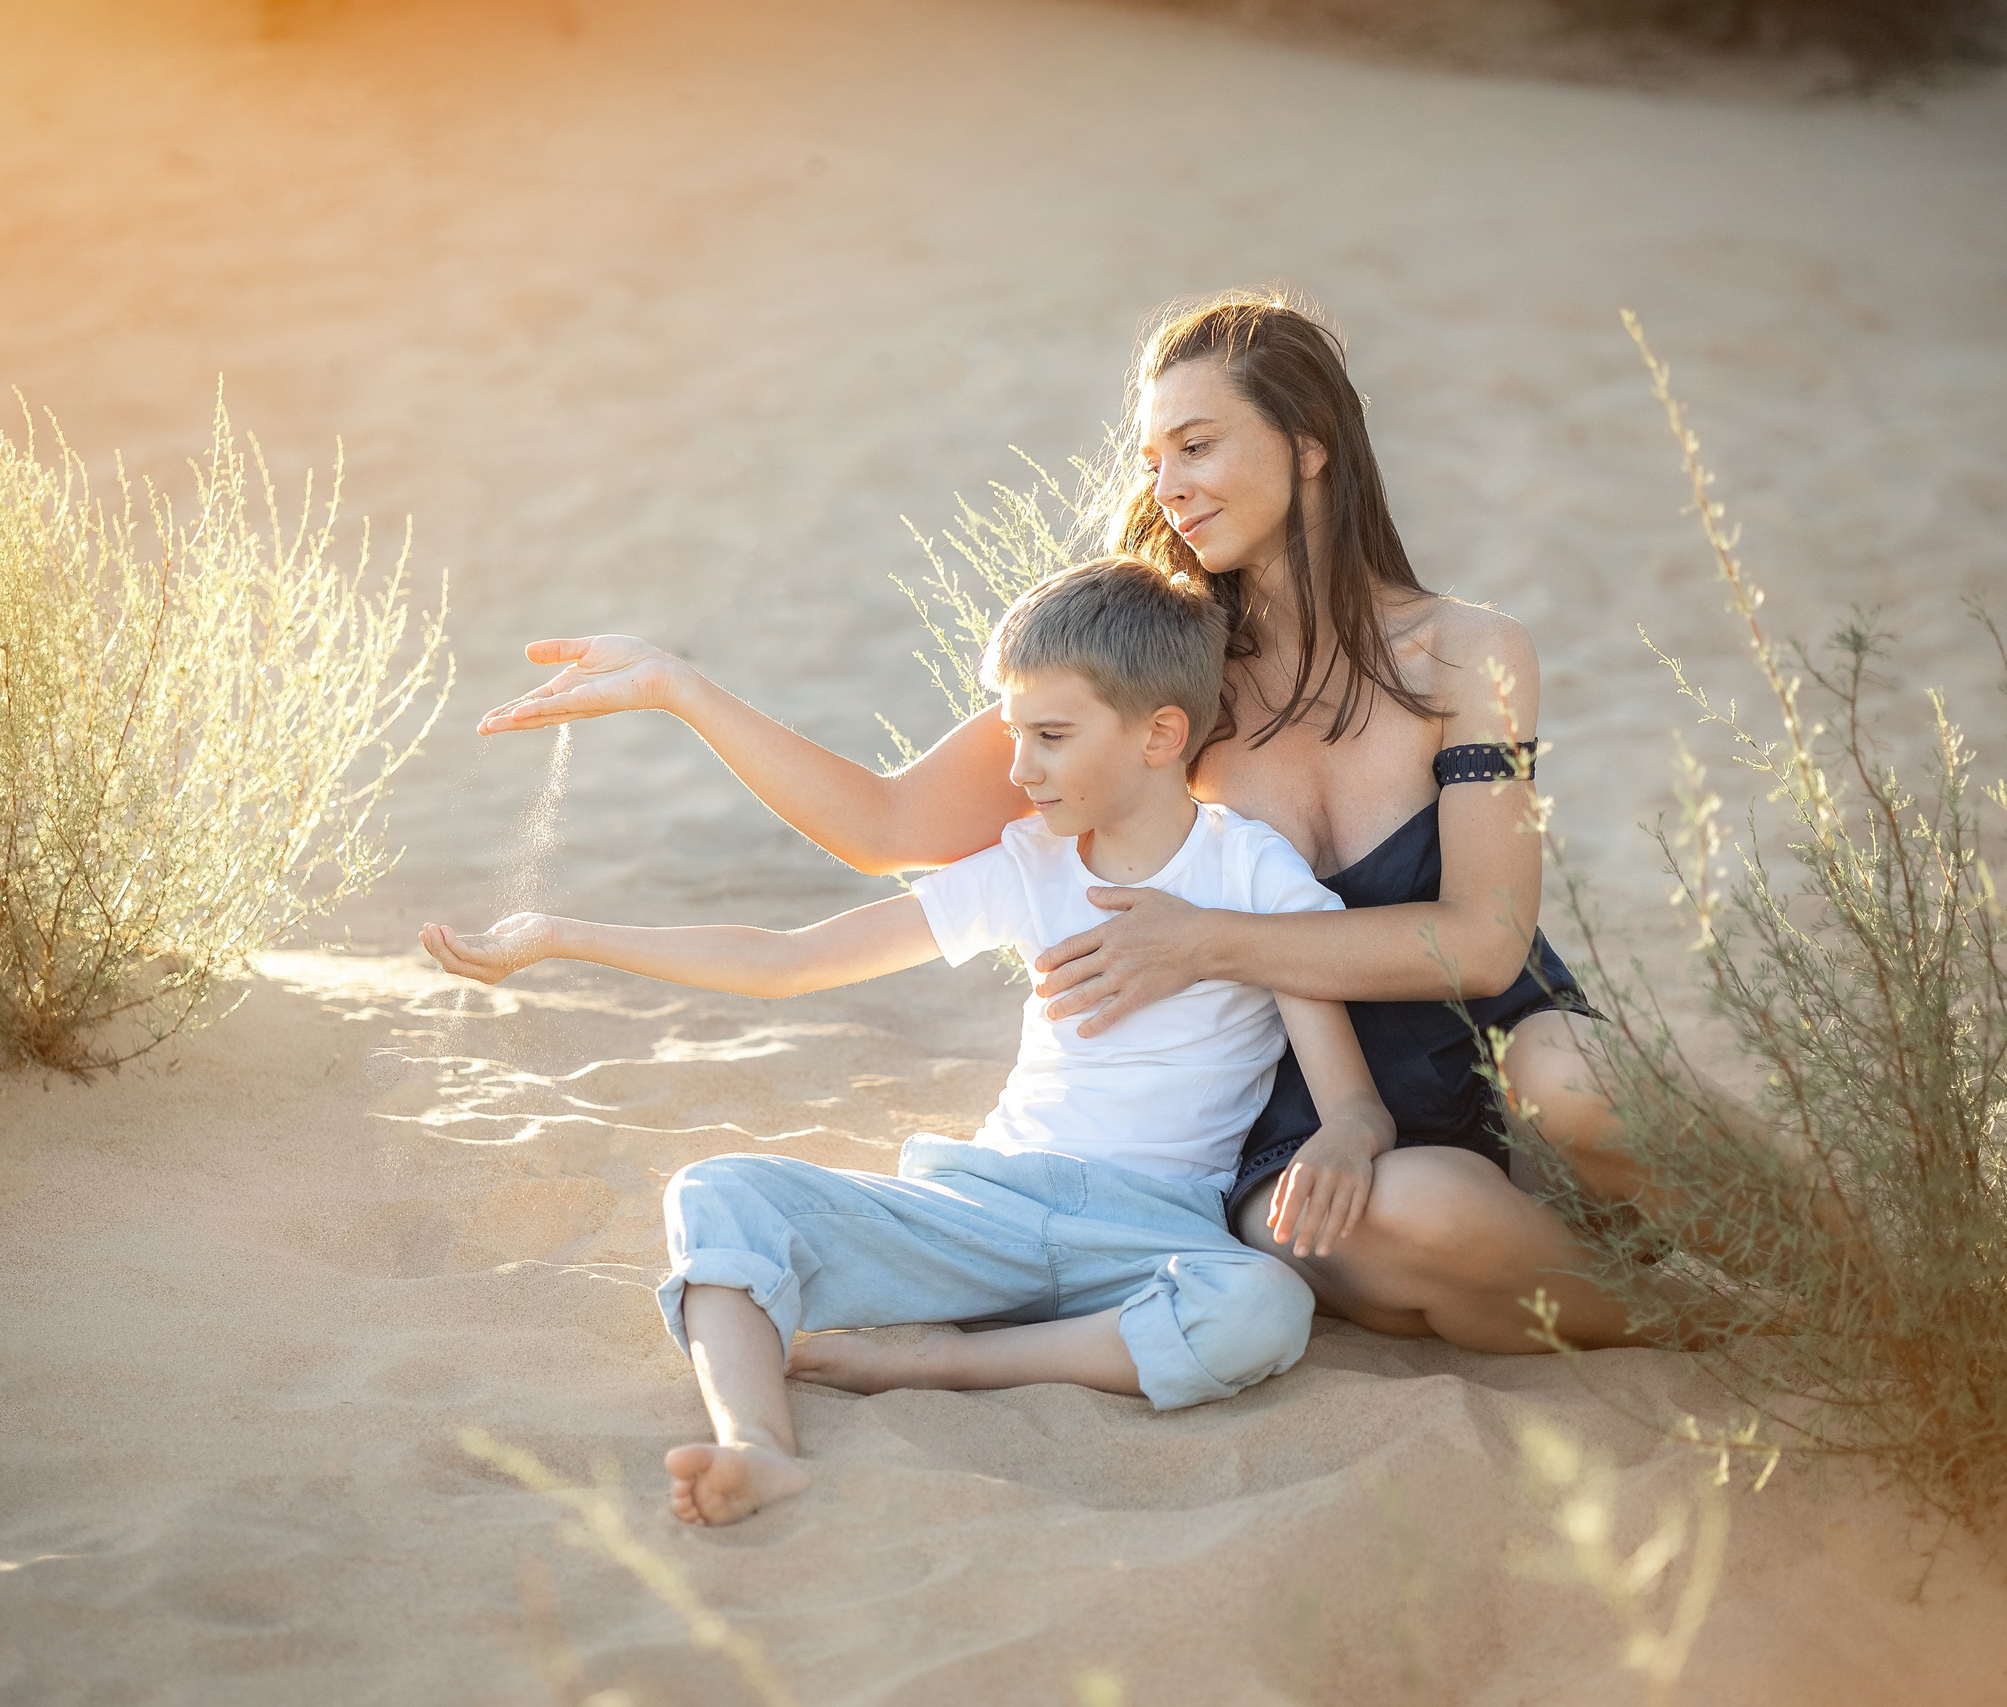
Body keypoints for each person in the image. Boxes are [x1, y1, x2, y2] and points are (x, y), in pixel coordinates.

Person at [468, 291, 1747, 1353]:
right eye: (1152, 458)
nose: (1167, 484)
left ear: (1309, 441)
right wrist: (680, 687)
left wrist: (1206, 942)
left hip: (1494, 1046)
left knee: (1576, 1084)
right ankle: (1691, 1321)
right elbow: (890, 825)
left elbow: (1478, 944)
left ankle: (1855, 1274)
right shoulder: (1164, 674)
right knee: (1406, 1219)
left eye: (1196, 444)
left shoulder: (1470, 653)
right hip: (1305, 1120)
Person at [422, 558, 1397, 1525]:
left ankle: (939, 1360)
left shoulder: (1253, 872)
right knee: (715, 1191)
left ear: (1160, 734)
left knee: (1263, 1306)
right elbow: (786, 962)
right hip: (984, 1208)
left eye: (1051, 737)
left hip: (1149, 1234)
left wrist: (1346, 1137)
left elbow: (1348, 1100)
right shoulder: (1025, 864)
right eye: (1014, 734)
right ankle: (758, 1445)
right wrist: (560, 937)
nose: (1018, 770)